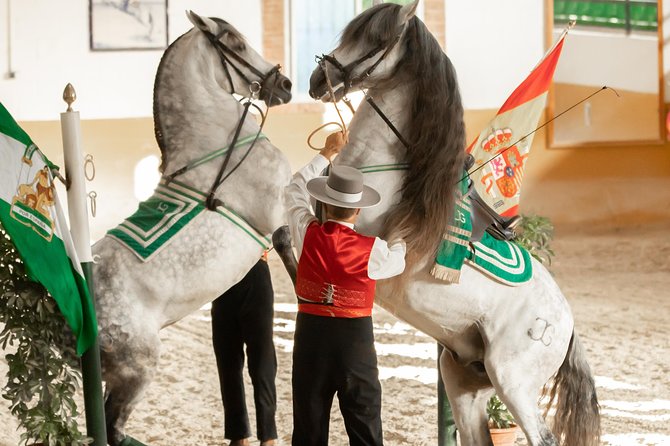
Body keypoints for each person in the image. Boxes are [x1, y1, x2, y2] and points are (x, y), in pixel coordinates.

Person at [284, 131, 407, 446]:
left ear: (324, 204)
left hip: (310, 336)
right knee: (364, 426)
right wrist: (398, 236)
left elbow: (294, 188)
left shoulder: (305, 229)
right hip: (355, 343)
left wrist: (326, 153)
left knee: (309, 428)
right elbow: (397, 261)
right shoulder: (373, 249)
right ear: (358, 211)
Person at [211, 255, 278, 446]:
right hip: (221, 277)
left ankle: (268, 437)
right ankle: (237, 435)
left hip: (254, 270)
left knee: (262, 361)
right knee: (227, 360)